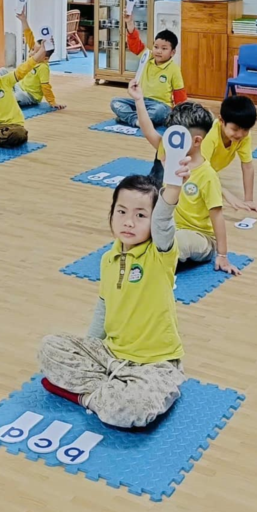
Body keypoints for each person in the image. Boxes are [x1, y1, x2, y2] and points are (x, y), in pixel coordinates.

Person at [38, 174, 185, 428]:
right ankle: (109, 393)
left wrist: (173, 185)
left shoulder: (160, 254)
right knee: (48, 347)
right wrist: (90, 351)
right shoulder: (108, 259)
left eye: (141, 215)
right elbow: (103, 307)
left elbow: (164, 220)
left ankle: (87, 397)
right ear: (112, 213)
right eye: (121, 211)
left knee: (134, 407)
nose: (129, 222)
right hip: (110, 355)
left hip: (154, 364)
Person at [134, 95, 241, 275]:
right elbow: (148, 130)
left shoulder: (207, 175)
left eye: (178, 137)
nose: (171, 141)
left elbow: (217, 217)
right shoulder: (169, 153)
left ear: (197, 141)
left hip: (200, 237)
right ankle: (149, 258)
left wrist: (222, 255)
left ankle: (153, 265)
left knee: (176, 241)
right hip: (169, 227)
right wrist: (138, 99)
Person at [109, 13, 185, 128]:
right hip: (141, 102)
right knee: (115, 102)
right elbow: (134, 44)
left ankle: (131, 118)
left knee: (159, 111)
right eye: (156, 47)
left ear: (172, 52)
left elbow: (180, 95)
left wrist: (180, 116)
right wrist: (129, 23)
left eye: (164, 48)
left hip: (161, 105)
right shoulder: (147, 56)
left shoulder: (174, 69)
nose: (158, 51)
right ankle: (137, 120)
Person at [15, 6, 63, 110]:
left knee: (17, 97)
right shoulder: (33, 56)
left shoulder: (43, 68)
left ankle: (3, 99)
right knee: (2, 72)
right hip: (19, 86)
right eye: (32, 49)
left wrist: (52, 102)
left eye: (36, 51)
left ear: (44, 56)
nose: (31, 52)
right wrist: (23, 20)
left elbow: (45, 86)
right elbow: (28, 34)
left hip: (29, 95)